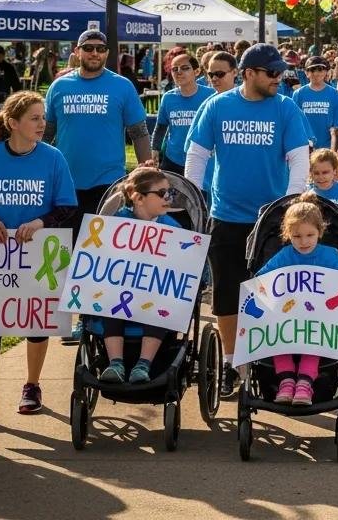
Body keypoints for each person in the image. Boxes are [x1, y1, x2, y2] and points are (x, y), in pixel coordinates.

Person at [185, 43, 311, 398]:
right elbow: (197, 155)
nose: (278, 78)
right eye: (271, 73)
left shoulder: (285, 108)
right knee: (227, 295)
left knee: (274, 294)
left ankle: (271, 363)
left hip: (272, 221)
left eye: (280, 72)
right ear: (249, 73)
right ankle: (231, 362)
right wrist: (194, 200)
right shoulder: (217, 106)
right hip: (226, 216)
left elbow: (299, 158)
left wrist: (288, 205)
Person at [0, 92, 76, 422]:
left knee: (35, 320)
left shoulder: (53, 158)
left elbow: (67, 206)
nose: (42, 124)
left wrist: (39, 223)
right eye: (34, 118)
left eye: (43, 117)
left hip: (37, 252)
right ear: (13, 123)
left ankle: (32, 386)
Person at [44, 29, 151, 343]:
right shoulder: (59, 86)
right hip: (65, 185)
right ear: (77, 51)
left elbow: (139, 132)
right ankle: (66, 315)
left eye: (100, 49)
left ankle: (88, 319)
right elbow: (46, 133)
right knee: (65, 254)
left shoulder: (121, 86)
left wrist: (145, 171)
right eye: (88, 48)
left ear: (107, 53)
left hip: (108, 185)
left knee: (97, 257)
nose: (94, 53)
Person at [255, 192, 338, 406]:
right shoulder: (285, 256)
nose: (303, 242)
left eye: (309, 235)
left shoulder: (330, 256)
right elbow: (261, 278)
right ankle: (286, 381)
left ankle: (305, 383)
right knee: (276, 335)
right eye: (296, 236)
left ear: (320, 232)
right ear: (288, 234)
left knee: (314, 338)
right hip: (286, 315)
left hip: (319, 318)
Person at [99, 166, 181, 384]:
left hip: (155, 294)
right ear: (138, 198)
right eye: (162, 193)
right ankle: (115, 363)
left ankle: (143, 364)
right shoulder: (116, 222)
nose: (168, 198)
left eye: (170, 192)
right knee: (111, 302)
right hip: (121, 291)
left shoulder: (174, 228)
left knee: (161, 306)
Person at [152, 53, 215, 175]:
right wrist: (155, 149)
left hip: (202, 160)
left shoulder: (211, 95)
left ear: (197, 71)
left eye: (185, 68)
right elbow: (161, 127)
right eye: (174, 69)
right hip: (173, 160)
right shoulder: (168, 98)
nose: (179, 72)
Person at [293, 54, 338, 150]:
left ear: (326, 72)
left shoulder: (334, 94)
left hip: (327, 148)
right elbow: (294, 123)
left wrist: (334, 150)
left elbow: (337, 126)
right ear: (306, 73)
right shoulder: (298, 94)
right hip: (304, 147)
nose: (316, 73)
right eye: (312, 70)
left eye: (320, 69)